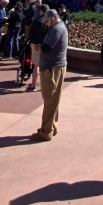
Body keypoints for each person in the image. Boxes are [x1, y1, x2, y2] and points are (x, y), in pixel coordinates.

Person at [32, 9, 68, 141]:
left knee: (49, 98)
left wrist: (36, 47)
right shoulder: (59, 27)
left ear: (52, 18)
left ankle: (46, 131)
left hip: (52, 68)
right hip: (55, 66)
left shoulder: (56, 29)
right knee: (53, 99)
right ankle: (52, 126)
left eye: (47, 21)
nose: (46, 23)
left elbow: (47, 47)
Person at [26, 3, 47, 91]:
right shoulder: (49, 22)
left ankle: (33, 85)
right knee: (45, 67)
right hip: (46, 46)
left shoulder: (37, 21)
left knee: (36, 66)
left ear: (41, 11)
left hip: (36, 45)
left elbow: (31, 34)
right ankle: (44, 85)